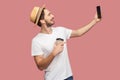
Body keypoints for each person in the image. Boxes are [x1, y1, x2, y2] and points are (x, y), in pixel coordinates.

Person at [30, 5, 101, 80]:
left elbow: (78, 32)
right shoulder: (36, 41)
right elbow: (40, 66)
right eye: (49, 14)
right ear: (42, 21)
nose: (53, 16)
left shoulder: (60, 30)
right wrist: (53, 53)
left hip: (68, 76)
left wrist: (95, 21)